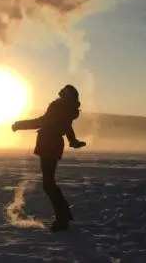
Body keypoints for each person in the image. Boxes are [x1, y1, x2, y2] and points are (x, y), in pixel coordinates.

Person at [11, 84, 87, 231]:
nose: (60, 93)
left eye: (63, 92)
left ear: (66, 95)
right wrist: (73, 141)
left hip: (49, 144)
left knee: (48, 184)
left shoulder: (59, 107)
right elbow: (67, 127)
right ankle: (64, 214)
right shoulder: (66, 109)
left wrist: (20, 124)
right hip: (52, 144)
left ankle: (62, 216)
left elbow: (42, 121)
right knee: (49, 183)